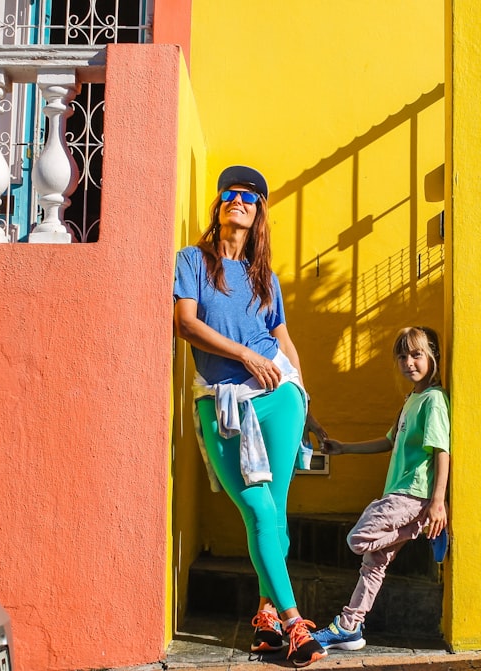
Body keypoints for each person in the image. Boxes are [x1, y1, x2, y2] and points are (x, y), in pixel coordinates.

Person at [173, 165, 327, 668]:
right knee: (258, 510)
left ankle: (265, 621)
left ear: (258, 213)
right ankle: (292, 619)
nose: (237, 200)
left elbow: (283, 343)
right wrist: (245, 356)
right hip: (222, 401)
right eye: (229, 194)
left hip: (280, 399)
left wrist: (304, 397)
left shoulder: (266, 279)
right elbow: (187, 325)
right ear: (218, 208)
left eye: (249, 196)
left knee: (275, 517)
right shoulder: (192, 261)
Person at [311, 326, 451, 652]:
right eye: (402, 356)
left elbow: (442, 449)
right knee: (374, 563)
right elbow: (389, 442)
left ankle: (419, 529)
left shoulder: (434, 400)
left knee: (357, 539)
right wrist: (344, 448)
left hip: (412, 496)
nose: (408, 362)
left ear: (433, 356)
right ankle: (350, 626)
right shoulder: (412, 400)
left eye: (416, 354)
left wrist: (437, 502)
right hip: (400, 493)